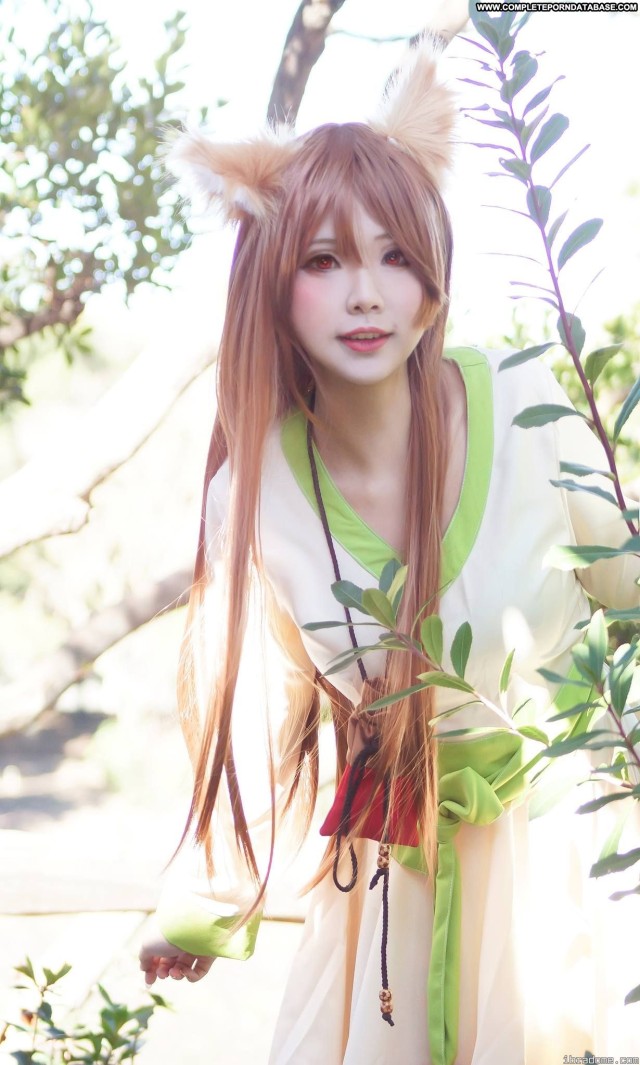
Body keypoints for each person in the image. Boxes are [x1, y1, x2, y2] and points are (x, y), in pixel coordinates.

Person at [138, 40, 640, 1065]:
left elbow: (631, 602)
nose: (365, 293)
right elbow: (253, 707)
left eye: (394, 255)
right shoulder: (256, 494)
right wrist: (206, 900)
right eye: (323, 261)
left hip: (568, 867)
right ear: (272, 281)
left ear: (432, 278)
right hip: (391, 879)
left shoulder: (528, 402)